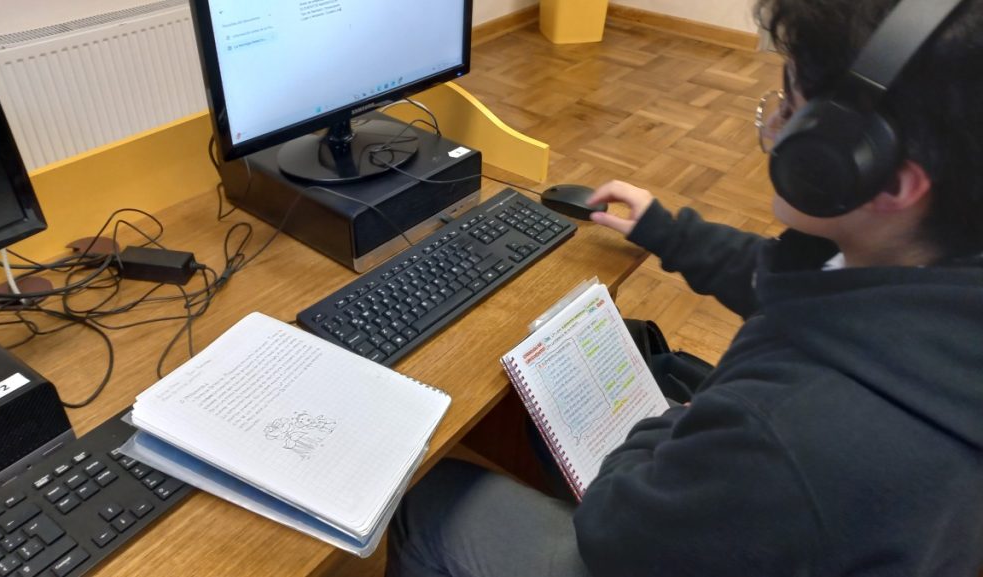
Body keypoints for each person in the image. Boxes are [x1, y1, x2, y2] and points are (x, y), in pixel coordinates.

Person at [385, 0, 983, 574]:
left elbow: (614, 532)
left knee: (428, 498)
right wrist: (666, 232)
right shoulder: (925, 272)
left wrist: (672, 427)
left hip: (650, 532)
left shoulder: (785, 429)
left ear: (891, 183)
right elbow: (788, 279)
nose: (774, 125)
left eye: (794, 112)